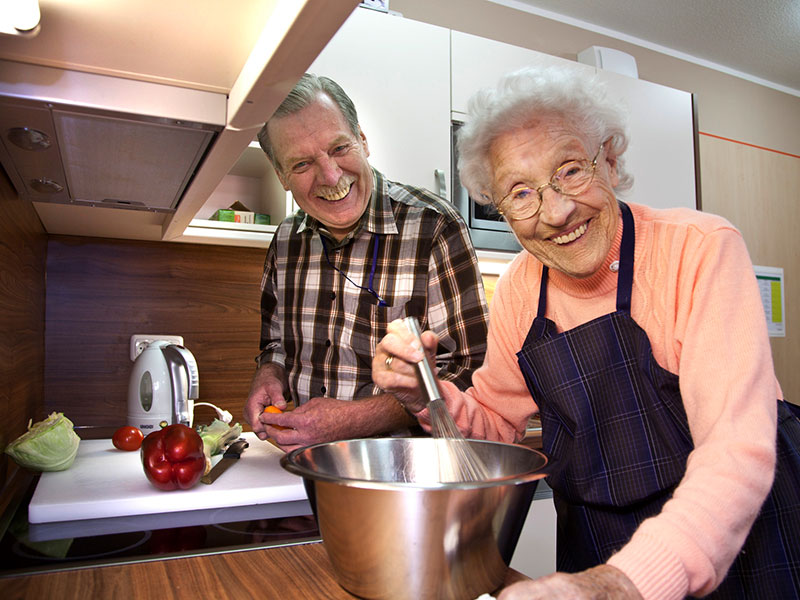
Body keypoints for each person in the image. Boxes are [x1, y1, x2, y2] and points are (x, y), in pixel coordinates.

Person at [373, 65, 800, 599]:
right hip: (597, 551)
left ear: (612, 162)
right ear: (501, 209)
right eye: (521, 194)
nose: (556, 212)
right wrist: (424, 393)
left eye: (571, 170)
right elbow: (494, 429)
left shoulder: (699, 249)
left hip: (735, 543)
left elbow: (735, 447)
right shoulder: (519, 291)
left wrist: (623, 584)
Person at [243, 73, 490, 452]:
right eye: (302, 164)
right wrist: (268, 373)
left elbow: (471, 372)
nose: (330, 175)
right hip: (305, 466)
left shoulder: (433, 225)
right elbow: (275, 344)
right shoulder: (285, 241)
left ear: (362, 140)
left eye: (340, 148)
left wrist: (354, 418)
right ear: (280, 175)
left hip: (405, 474)